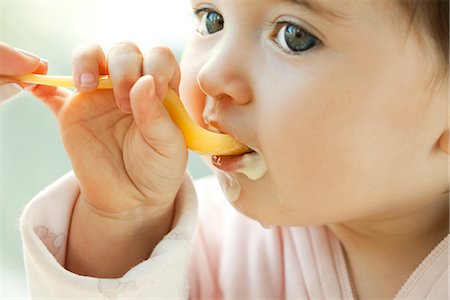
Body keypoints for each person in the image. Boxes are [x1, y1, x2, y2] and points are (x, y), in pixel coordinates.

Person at [17, 0, 449, 298]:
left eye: (295, 36)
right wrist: (122, 222)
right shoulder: (181, 251)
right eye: (211, 19)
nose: (210, 73)